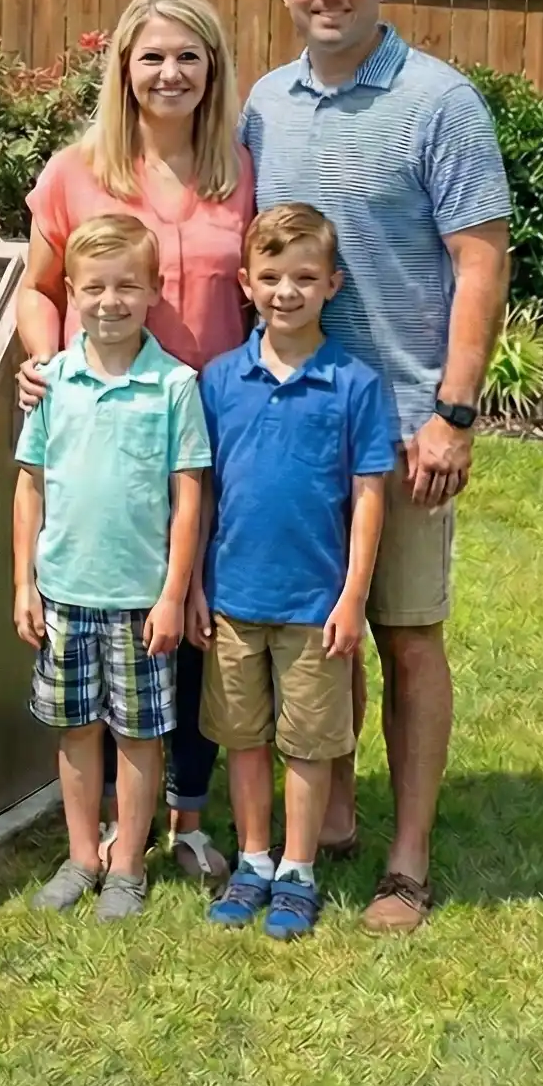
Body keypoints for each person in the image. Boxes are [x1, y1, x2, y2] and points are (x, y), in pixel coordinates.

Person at [242, 0, 511, 934]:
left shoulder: (439, 103)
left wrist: (452, 411)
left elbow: (478, 261)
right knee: (321, 631)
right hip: (295, 422)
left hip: (401, 425)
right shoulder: (264, 104)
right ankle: (335, 813)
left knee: (402, 635)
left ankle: (406, 859)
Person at [17, 0, 252, 890]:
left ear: (212, 69)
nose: (169, 73)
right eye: (151, 56)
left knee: (189, 614)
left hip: (206, 426)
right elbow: (39, 289)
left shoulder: (240, 170)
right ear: (124, 67)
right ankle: (113, 827)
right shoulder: (77, 171)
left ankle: (189, 818)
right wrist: (42, 363)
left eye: (188, 56)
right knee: (115, 610)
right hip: (104, 427)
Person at [197, 204, 398, 941]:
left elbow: (371, 495)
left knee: (309, 742)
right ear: (246, 283)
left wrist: (352, 594)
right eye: (272, 276)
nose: (287, 291)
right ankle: (253, 860)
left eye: (305, 277)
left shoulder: (355, 385)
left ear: (332, 285)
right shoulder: (220, 382)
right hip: (232, 597)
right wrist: (193, 586)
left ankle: (300, 870)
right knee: (244, 739)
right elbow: (203, 491)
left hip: (316, 603)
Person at [11, 214, 211, 920]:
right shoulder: (52, 383)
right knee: (75, 729)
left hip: (138, 599)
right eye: (93, 287)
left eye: (128, 286)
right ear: (70, 293)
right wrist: (24, 584)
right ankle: (79, 855)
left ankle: (127, 863)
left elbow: (188, 499)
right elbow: (30, 484)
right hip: (64, 593)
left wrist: (172, 593)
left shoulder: (174, 387)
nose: (110, 301)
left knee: (137, 733)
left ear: (155, 290)